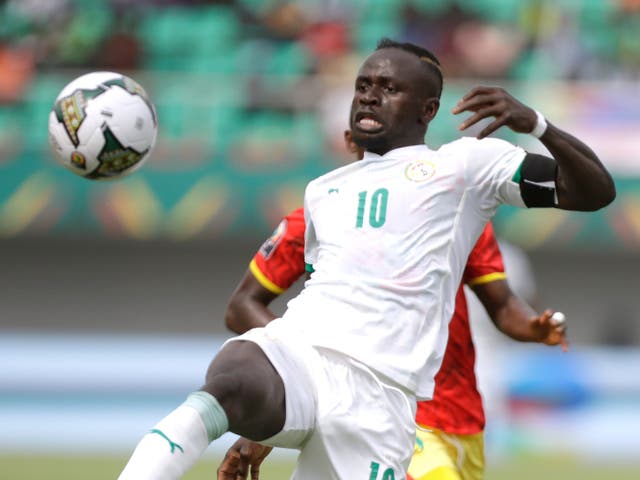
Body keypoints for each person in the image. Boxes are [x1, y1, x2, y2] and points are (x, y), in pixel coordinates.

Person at [117, 38, 615, 480]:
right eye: (363, 84)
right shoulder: (321, 192)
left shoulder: (465, 166)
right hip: (305, 355)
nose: (369, 95)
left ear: (427, 109)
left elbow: (592, 191)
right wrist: (261, 432)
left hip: (380, 399)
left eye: (389, 87)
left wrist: (537, 125)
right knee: (232, 377)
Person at [217, 208, 567, 480]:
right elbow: (241, 307)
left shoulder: (455, 211)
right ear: (350, 140)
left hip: (464, 403)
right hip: (392, 407)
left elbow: (504, 304)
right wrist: (306, 369)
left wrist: (533, 327)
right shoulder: (323, 210)